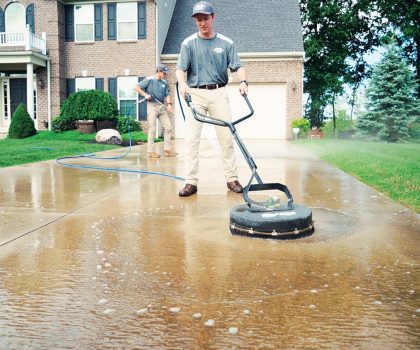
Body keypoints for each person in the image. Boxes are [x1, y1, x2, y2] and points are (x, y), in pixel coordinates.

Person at [176, 1, 248, 197]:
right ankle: (191, 182)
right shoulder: (188, 43)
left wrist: (243, 81)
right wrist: (182, 84)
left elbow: (237, 66)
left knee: (226, 138)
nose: (202, 23)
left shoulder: (226, 43)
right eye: (198, 20)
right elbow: (180, 69)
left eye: (205, 18)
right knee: (191, 139)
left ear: (213, 17)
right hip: (196, 93)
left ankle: (231, 179)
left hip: (218, 93)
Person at [135, 64, 177, 158]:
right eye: (164, 73)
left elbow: (168, 94)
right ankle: (150, 152)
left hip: (161, 106)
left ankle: (167, 150)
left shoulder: (164, 82)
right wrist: (145, 95)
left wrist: (169, 105)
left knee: (168, 127)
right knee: (152, 129)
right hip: (152, 105)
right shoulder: (149, 79)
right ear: (159, 71)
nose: (165, 75)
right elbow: (137, 87)